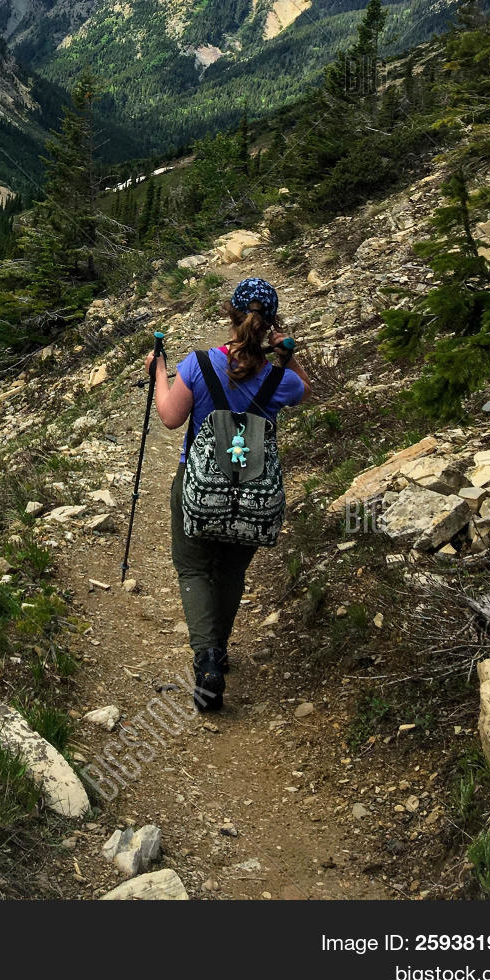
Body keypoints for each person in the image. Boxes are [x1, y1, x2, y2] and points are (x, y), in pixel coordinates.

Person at [146, 277, 312, 711]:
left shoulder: (200, 364)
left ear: (231, 315)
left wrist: (159, 372)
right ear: (270, 323)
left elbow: (168, 417)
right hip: (254, 488)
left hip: (198, 484)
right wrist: (285, 354)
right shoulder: (280, 379)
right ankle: (218, 648)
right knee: (231, 571)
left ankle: (207, 660)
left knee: (194, 568)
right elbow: (304, 390)